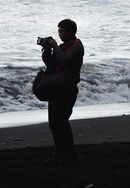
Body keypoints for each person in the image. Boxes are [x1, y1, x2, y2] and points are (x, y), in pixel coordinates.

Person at [42, 19, 84, 164]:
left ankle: (71, 156)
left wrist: (55, 47)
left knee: (61, 122)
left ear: (70, 32)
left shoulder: (77, 47)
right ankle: (60, 154)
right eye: (58, 31)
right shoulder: (62, 46)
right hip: (57, 87)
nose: (59, 34)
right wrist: (47, 49)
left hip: (67, 88)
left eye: (61, 31)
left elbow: (66, 62)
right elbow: (51, 64)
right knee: (54, 123)